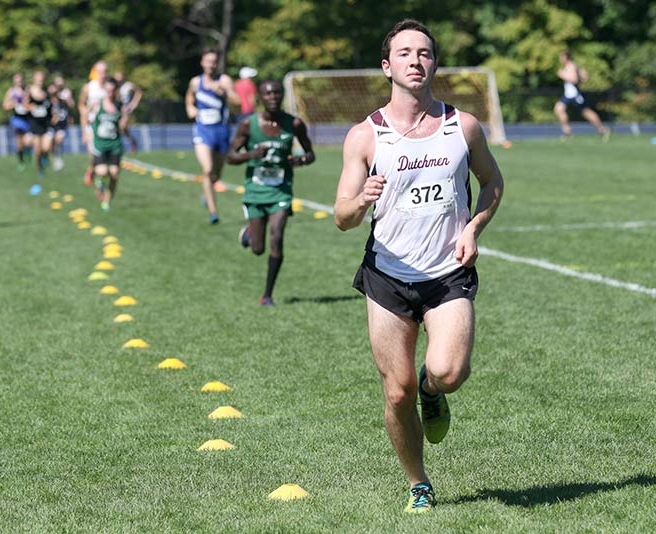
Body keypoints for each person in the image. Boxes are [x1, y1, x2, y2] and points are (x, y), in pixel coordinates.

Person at [333, 19, 504, 513]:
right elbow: (341, 217)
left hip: (447, 274)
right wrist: (359, 200)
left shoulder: (462, 126)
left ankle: (435, 392)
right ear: (387, 66)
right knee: (396, 387)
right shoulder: (365, 136)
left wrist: (472, 228)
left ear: (434, 63)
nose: (415, 60)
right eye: (405, 53)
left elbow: (493, 184)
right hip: (387, 276)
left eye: (424, 53)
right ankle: (418, 482)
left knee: (447, 372)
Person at [227, 79, 315, 306]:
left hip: (281, 192)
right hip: (255, 191)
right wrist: (250, 155)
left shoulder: (294, 124)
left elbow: (310, 154)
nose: (273, 97)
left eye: (277, 93)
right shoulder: (249, 125)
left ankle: (267, 295)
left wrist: (300, 160)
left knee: (277, 236)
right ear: (261, 98)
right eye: (268, 94)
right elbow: (231, 156)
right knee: (258, 249)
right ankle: (249, 233)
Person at [185, 47, 240, 224]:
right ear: (202, 62)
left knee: (216, 174)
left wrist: (225, 93)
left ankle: (207, 193)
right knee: (207, 170)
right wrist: (191, 109)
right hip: (203, 131)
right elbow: (189, 99)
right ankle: (213, 212)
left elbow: (238, 104)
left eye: (214, 61)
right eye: (208, 61)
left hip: (221, 131)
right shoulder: (195, 82)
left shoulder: (224, 80)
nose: (211, 65)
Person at [89, 76, 128, 212]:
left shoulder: (120, 106)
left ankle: (106, 202)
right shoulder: (97, 104)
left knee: (114, 174)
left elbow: (123, 125)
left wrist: (125, 122)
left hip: (115, 144)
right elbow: (87, 117)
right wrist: (87, 133)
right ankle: (98, 181)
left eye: (113, 91)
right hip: (100, 144)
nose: (110, 93)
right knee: (103, 171)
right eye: (108, 90)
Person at [553, 50, 609, 141]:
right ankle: (567, 131)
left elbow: (574, 79)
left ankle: (602, 129)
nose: (560, 59)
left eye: (561, 57)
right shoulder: (571, 66)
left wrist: (562, 75)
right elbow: (584, 77)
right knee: (558, 109)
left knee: (586, 112)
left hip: (574, 95)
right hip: (568, 95)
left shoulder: (571, 66)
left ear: (566, 58)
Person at [79, 61, 109, 185]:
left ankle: (95, 173)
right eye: (100, 71)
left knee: (105, 159)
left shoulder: (110, 88)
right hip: (92, 126)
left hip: (106, 128)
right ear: (95, 72)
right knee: (94, 156)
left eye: (105, 71)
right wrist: (84, 130)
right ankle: (96, 177)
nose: (103, 74)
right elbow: (81, 105)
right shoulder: (89, 87)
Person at [25, 70, 54, 177]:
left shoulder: (47, 91)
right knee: (37, 150)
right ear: (35, 79)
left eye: (42, 79)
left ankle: (45, 156)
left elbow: (52, 105)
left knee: (46, 147)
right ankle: (40, 168)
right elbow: (24, 105)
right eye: (38, 79)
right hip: (35, 123)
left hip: (46, 123)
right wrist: (30, 107)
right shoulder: (30, 91)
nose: (40, 81)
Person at [2, 72, 32, 171]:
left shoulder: (27, 90)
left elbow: (33, 104)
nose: (19, 82)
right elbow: (5, 106)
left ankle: (27, 151)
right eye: (17, 80)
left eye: (20, 80)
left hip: (27, 119)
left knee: (28, 141)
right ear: (14, 81)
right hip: (17, 120)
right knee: (19, 143)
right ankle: (21, 162)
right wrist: (13, 104)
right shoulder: (11, 92)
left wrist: (27, 103)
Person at [48, 74, 75, 171]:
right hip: (50, 125)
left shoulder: (66, 94)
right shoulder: (50, 94)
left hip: (62, 124)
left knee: (59, 139)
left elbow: (71, 106)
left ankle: (58, 158)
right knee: (50, 141)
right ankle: (52, 157)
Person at [113, 70, 142, 151]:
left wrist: (134, 103)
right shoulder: (114, 86)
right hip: (116, 109)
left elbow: (138, 91)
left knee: (122, 126)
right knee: (123, 130)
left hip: (125, 109)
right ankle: (132, 141)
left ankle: (119, 145)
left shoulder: (128, 85)